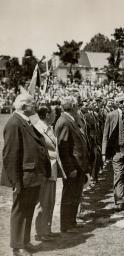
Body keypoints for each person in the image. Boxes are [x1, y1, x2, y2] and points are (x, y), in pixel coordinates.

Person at [1, 93, 51, 256]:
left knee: (28, 209)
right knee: (20, 211)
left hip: (32, 175)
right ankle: (17, 246)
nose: (35, 106)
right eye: (32, 104)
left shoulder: (26, 121)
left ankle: (25, 241)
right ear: (24, 106)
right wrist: (15, 182)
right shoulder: (14, 123)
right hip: (23, 176)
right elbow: (10, 155)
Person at [55, 96, 90, 233]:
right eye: (77, 106)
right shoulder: (64, 122)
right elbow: (64, 150)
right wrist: (70, 169)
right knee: (69, 196)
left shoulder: (70, 120)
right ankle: (66, 225)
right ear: (73, 107)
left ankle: (72, 222)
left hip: (78, 165)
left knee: (75, 195)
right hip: (73, 167)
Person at [34, 104, 62, 241]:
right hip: (44, 171)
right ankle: (40, 232)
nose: (56, 115)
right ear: (47, 115)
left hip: (52, 169)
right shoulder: (37, 129)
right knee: (43, 201)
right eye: (54, 113)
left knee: (50, 201)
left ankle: (47, 229)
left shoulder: (49, 128)